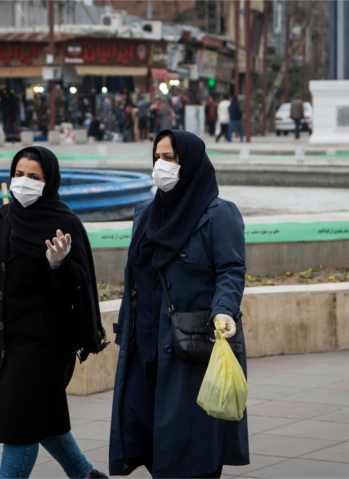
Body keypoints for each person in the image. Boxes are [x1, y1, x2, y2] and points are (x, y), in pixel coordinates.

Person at [0, 146, 109, 479]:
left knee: (20, 431)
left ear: (49, 181)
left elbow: (77, 291)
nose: (23, 182)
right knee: (44, 420)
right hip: (11, 342)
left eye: (34, 177)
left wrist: (59, 264)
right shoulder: (6, 217)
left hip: (46, 346)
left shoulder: (64, 224)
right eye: (19, 174)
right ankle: (85, 475)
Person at [108, 129, 248, 478]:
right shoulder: (145, 214)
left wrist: (224, 309)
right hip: (144, 351)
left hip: (192, 348)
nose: (161, 165)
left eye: (170, 158)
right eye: (157, 157)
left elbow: (231, 269)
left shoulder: (218, 214)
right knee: (153, 443)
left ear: (191, 162)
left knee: (194, 450)